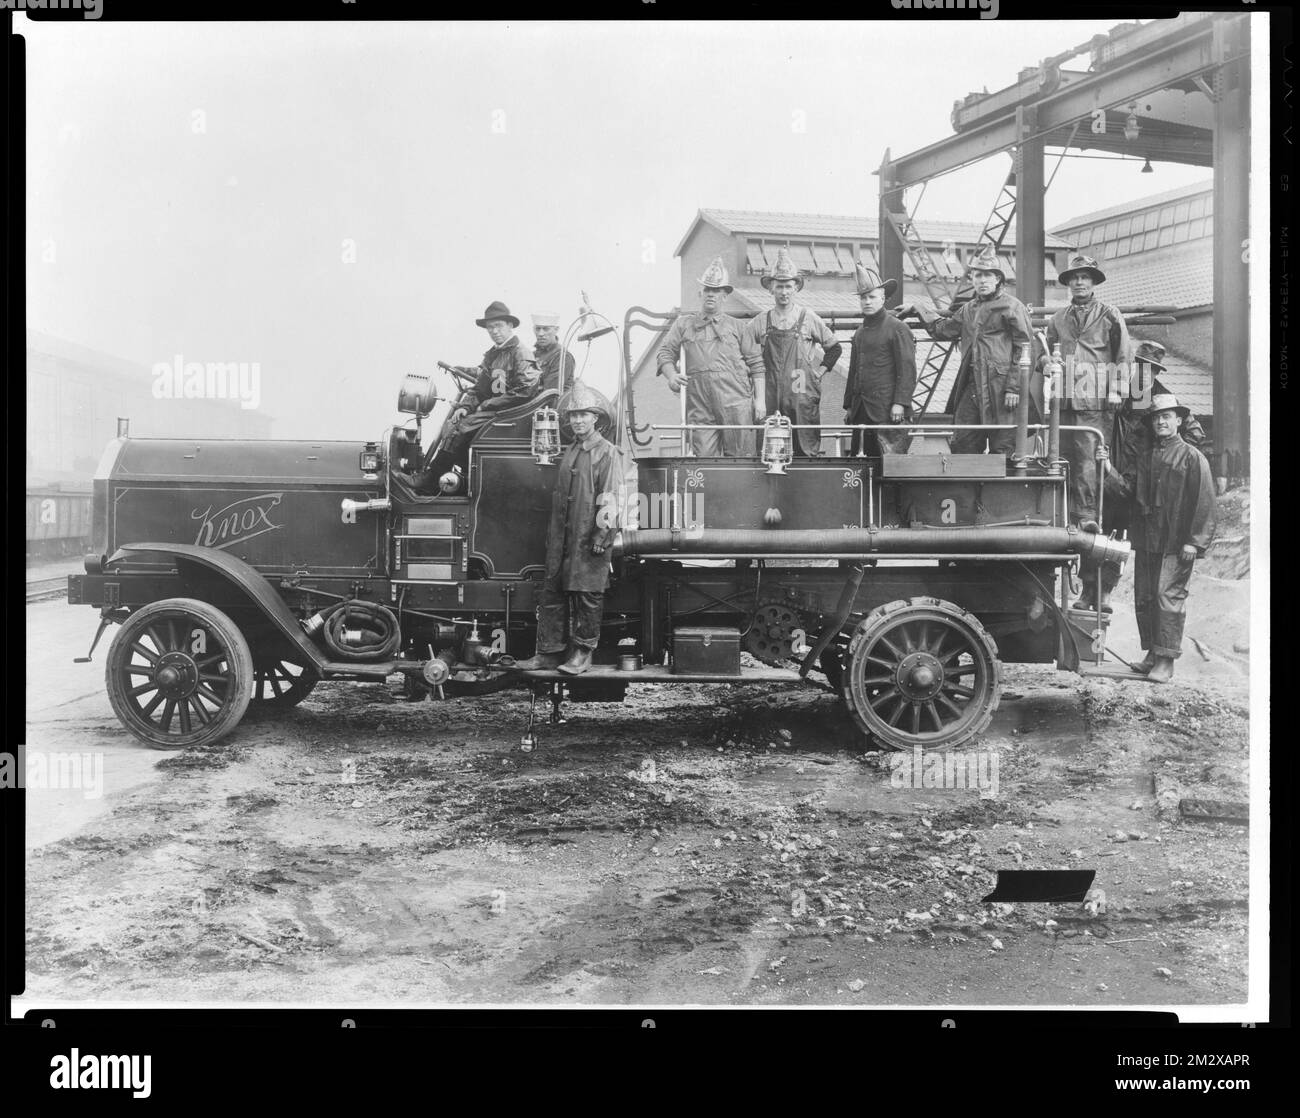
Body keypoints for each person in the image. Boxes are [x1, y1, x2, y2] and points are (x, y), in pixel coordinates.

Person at [515, 384, 625, 677]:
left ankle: (582, 653)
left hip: (589, 536)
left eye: (584, 415)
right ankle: (549, 653)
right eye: (574, 415)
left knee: (587, 594)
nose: (577, 420)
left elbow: (611, 497)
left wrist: (602, 536)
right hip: (563, 536)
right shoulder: (573, 450)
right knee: (552, 590)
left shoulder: (607, 453)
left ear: (596, 419)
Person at [1045, 253, 1131, 609]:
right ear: (1067, 284)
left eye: (1085, 278)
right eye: (1074, 278)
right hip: (1063, 402)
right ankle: (1071, 524)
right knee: (1062, 463)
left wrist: (1117, 388)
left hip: (1095, 401)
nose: (1080, 283)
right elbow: (1044, 353)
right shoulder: (1058, 318)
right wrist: (1044, 363)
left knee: (1088, 466)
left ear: (1094, 283)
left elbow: (1123, 355)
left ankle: (1088, 523)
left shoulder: (1110, 314)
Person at [901, 244, 1036, 456]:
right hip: (973, 384)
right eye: (977, 275)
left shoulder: (1013, 307)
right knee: (963, 442)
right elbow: (943, 330)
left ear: (998, 279)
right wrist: (919, 308)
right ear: (972, 279)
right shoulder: (968, 309)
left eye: (987, 275)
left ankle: (1002, 489)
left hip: (1001, 387)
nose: (982, 280)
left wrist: (1014, 388)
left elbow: (1025, 347)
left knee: (1004, 445)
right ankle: (967, 489)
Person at [1131, 393, 1216, 683]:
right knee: (1145, 596)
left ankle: (1166, 662)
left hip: (1176, 542)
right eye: (1156, 417)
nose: (1160, 422)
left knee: (1167, 596)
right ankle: (1153, 654)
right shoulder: (1148, 456)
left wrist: (1194, 540)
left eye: (1166, 416)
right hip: (1148, 540)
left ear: (1179, 420)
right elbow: (1132, 494)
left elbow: (1204, 500)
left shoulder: (1192, 457)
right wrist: (1106, 468)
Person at [656, 256, 764, 457]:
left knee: (741, 460)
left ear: (725, 295)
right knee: (704, 462)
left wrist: (760, 401)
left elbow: (757, 365)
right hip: (700, 406)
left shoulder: (739, 328)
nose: (711, 294)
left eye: (716, 290)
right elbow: (665, 353)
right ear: (700, 292)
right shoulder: (683, 324)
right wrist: (671, 376)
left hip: (736, 404)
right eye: (707, 289)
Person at [743, 246, 842, 457]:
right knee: (769, 450)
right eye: (779, 286)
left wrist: (818, 373)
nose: (784, 292)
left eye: (788, 286)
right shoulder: (759, 322)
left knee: (804, 447)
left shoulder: (809, 318)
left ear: (795, 288)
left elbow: (834, 348)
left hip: (801, 393)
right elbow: (744, 354)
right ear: (771, 288)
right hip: (770, 393)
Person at [843, 263, 916, 457]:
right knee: (861, 463)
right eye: (863, 298)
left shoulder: (897, 328)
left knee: (888, 466)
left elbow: (907, 369)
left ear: (883, 298)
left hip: (887, 411)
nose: (867, 302)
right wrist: (849, 405)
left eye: (872, 297)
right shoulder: (859, 332)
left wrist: (900, 403)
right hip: (861, 411)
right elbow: (853, 371)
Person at [533, 312, 575, 395]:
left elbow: (549, 391)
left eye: (546, 329)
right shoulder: (532, 355)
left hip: (551, 405)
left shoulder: (562, 356)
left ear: (556, 330)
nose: (541, 333)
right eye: (538, 329)